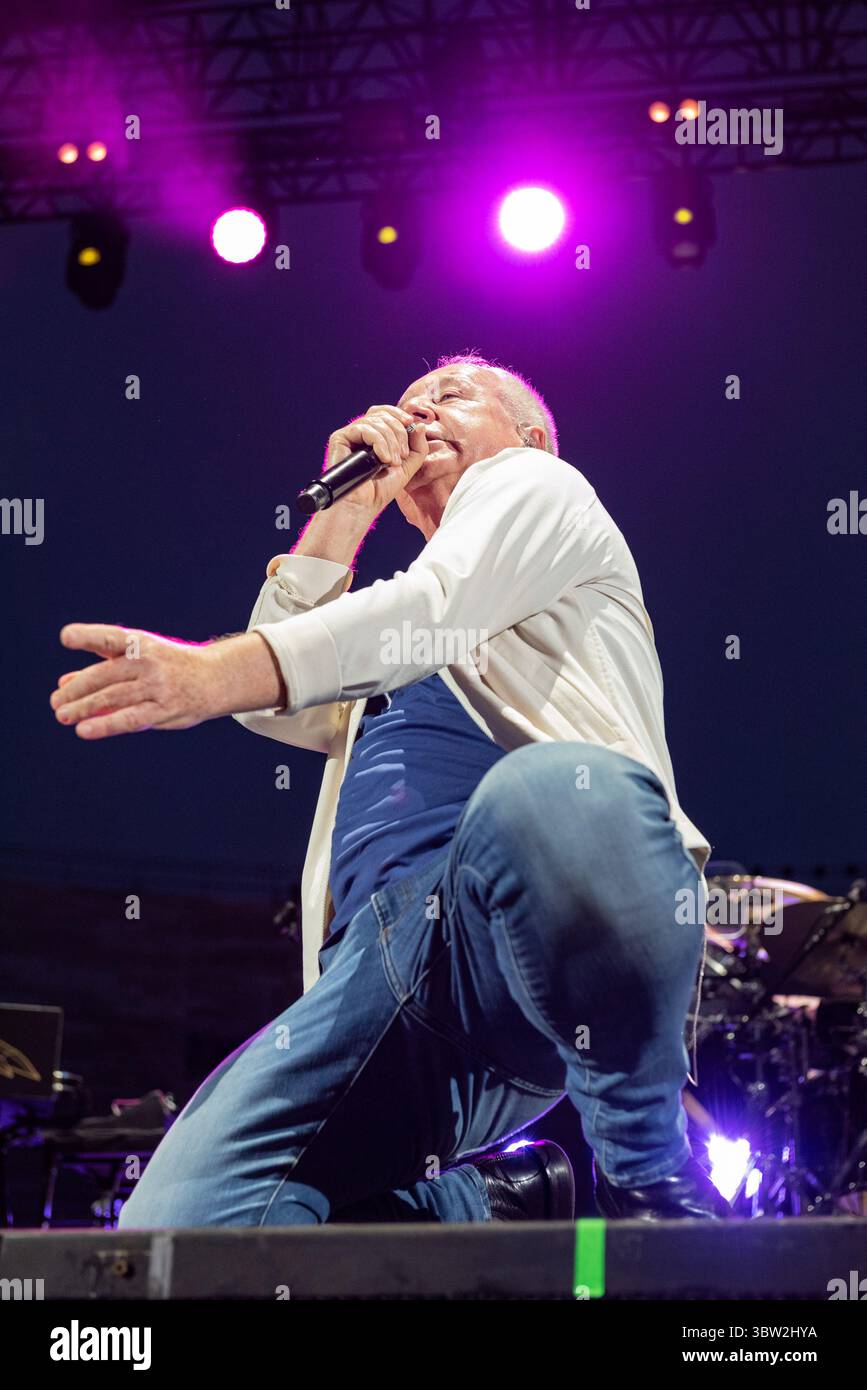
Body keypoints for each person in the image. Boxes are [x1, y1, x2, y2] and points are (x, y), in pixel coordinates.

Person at [51, 352, 727, 1226]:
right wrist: (344, 510)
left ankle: (642, 1164)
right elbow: (285, 707)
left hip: (518, 932)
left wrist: (207, 676)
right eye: (409, 405)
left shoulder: (543, 488)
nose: (419, 413)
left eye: (452, 397)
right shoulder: (396, 644)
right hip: (375, 975)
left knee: (552, 789)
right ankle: (484, 1208)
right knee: (178, 1232)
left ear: (531, 438)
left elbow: (423, 610)